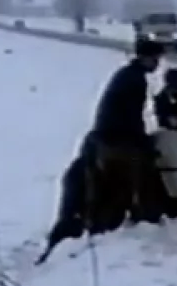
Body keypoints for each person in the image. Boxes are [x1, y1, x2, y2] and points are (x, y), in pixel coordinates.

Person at [86, 37, 163, 227]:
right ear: (145, 57)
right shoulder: (135, 80)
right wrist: (144, 142)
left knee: (115, 183)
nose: (157, 64)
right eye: (155, 59)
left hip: (107, 136)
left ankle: (107, 221)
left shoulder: (128, 74)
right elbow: (131, 116)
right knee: (128, 178)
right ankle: (121, 221)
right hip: (115, 139)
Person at [36, 134, 95, 264]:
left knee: (64, 222)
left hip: (74, 207)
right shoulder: (83, 171)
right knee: (66, 223)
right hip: (76, 211)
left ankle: (48, 251)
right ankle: (48, 252)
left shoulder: (77, 168)